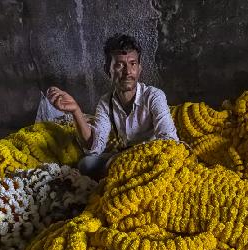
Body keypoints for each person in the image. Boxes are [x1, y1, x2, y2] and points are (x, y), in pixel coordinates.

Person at [46, 34, 179, 179]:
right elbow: (94, 148)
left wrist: (120, 159)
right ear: (107, 70)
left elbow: (169, 141)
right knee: (86, 164)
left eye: (133, 64)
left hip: (152, 157)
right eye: (119, 65)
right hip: (124, 155)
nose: (127, 72)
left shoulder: (154, 96)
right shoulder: (105, 103)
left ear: (140, 69)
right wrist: (76, 111)